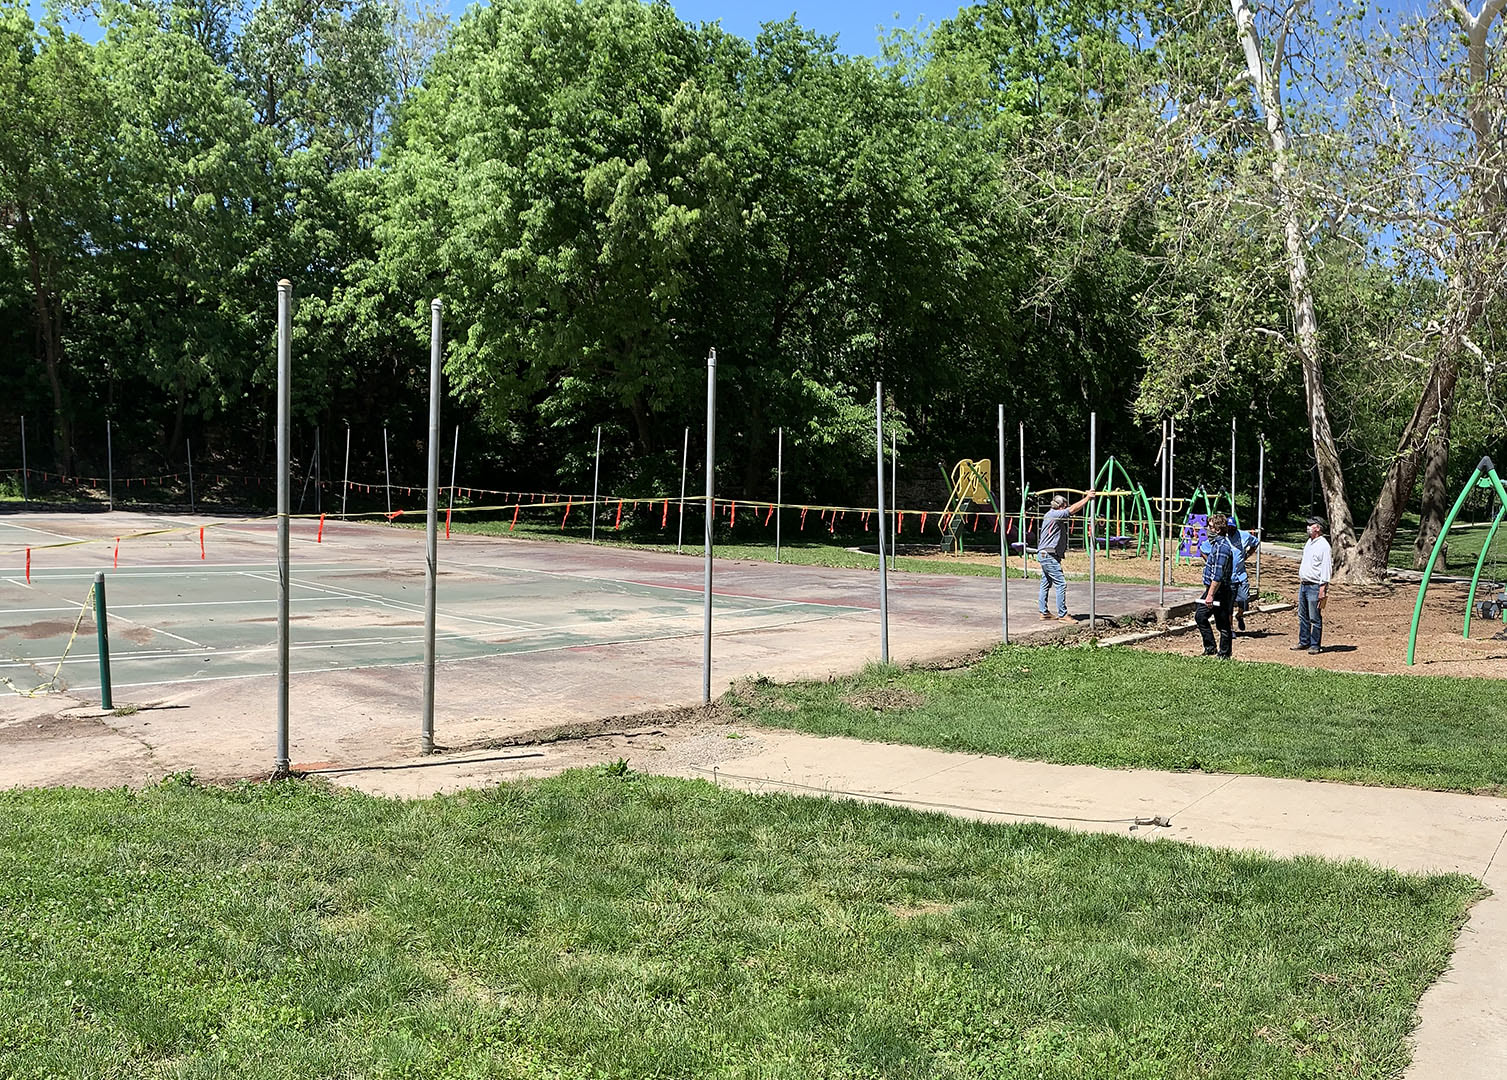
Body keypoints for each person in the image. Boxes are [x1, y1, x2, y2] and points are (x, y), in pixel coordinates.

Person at [1036, 490, 1095, 621]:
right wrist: (1087, 498)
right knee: (1061, 583)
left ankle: (1043, 612)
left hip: (1046, 554)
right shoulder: (1055, 514)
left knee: (1045, 583)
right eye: (1065, 505)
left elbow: (1070, 510)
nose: (1066, 507)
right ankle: (1062, 614)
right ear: (1061, 506)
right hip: (1049, 555)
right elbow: (1072, 510)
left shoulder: (1050, 514)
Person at [1195, 512, 1236, 657]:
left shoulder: (1222, 548)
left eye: (1210, 526)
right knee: (1200, 617)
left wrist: (1210, 595)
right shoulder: (1216, 545)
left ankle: (1224, 653)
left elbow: (1218, 575)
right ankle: (1210, 647)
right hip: (1213, 589)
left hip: (1220, 590)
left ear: (1217, 530)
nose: (1207, 529)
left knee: (1222, 623)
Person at [1294, 517, 1332, 654]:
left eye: (1311, 525)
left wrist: (1322, 589)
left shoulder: (1324, 546)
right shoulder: (1309, 542)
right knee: (1302, 615)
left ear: (1318, 528)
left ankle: (1315, 644)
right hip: (1304, 584)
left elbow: (1326, 568)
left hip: (1314, 586)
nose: (1308, 527)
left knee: (1314, 617)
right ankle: (1304, 641)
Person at [1225, 520, 1261, 631]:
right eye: (1228, 527)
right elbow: (1204, 549)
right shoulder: (1223, 537)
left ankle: (1240, 615)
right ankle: (1230, 628)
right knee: (1229, 604)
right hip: (1228, 577)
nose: (1230, 529)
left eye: (1232, 527)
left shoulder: (1244, 535)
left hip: (1241, 575)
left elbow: (1256, 543)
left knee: (1244, 598)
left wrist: (1247, 555)